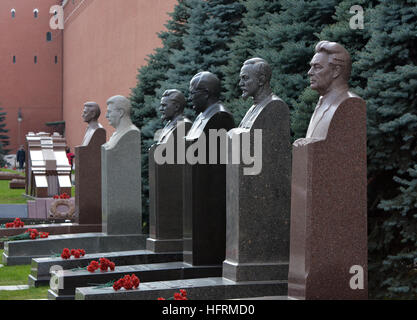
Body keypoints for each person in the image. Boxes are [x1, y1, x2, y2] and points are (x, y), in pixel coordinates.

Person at [294, 40, 354, 146]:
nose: (309, 72)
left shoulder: (349, 103)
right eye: (311, 66)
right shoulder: (322, 101)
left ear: (336, 71)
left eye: (317, 67)